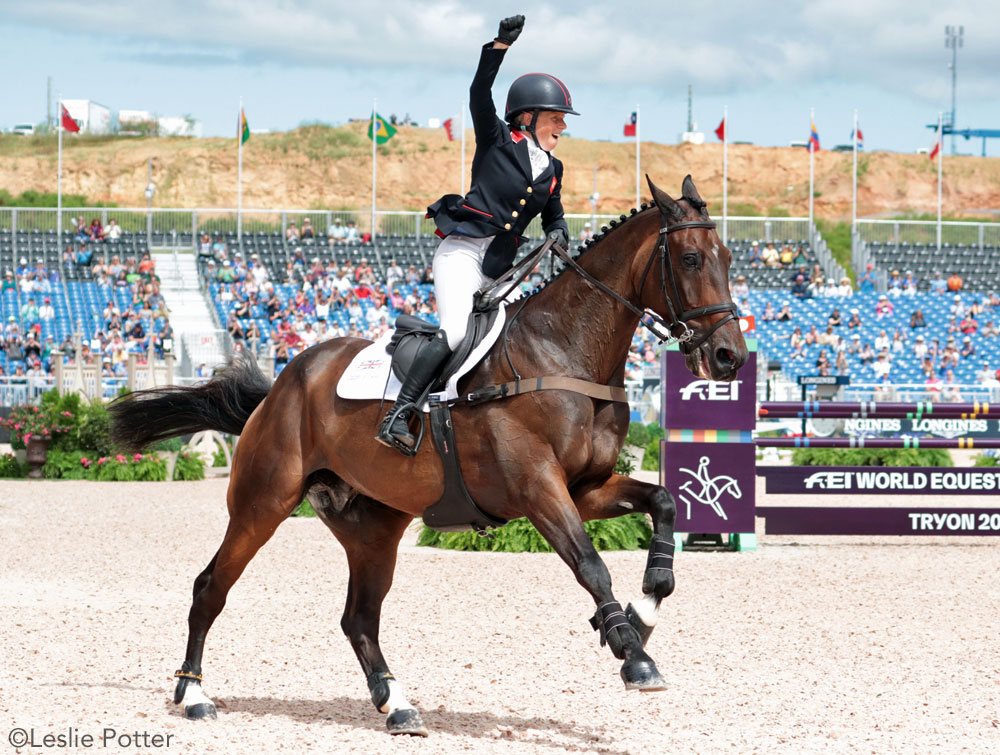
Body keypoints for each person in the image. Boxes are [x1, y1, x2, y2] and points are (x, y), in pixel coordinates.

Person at [377, 14, 575, 451]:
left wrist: (559, 233)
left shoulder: (554, 169)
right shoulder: (498, 140)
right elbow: (478, 93)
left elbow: (554, 216)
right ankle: (399, 414)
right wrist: (499, 48)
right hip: (463, 254)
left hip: (502, 270)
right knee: (452, 331)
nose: (563, 126)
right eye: (556, 117)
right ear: (528, 116)